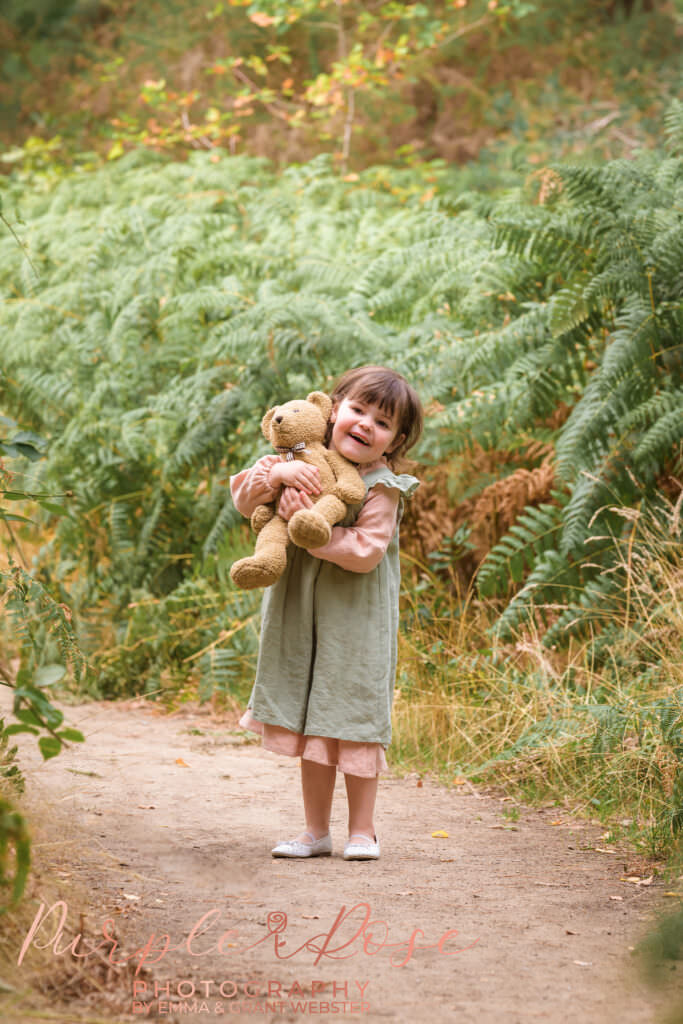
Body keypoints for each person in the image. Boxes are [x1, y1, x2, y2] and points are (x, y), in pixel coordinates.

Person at [230, 365, 423, 861]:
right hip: (302, 617)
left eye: (382, 423)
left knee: (352, 718)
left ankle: (364, 831)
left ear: (394, 440)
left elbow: (367, 551)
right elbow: (244, 497)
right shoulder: (297, 458)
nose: (365, 425)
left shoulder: (382, 486)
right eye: (358, 410)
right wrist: (277, 474)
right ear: (333, 409)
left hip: (356, 621)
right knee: (313, 719)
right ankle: (316, 832)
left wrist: (311, 528)